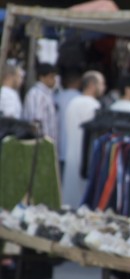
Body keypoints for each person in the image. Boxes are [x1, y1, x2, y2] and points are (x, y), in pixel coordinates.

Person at [62, 70, 106, 208]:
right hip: (85, 160)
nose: (104, 87)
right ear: (92, 85)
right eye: (101, 83)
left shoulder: (73, 102)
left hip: (70, 157)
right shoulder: (93, 106)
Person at [54, 68, 82, 175]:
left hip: (58, 144)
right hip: (74, 148)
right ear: (78, 82)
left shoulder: (57, 97)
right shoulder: (80, 98)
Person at [22, 63, 58, 144]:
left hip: (48, 142)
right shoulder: (37, 94)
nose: (54, 80)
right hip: (40, 143)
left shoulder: (47, 94)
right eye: (51, 77)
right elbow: (37, 121)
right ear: (42, 77)